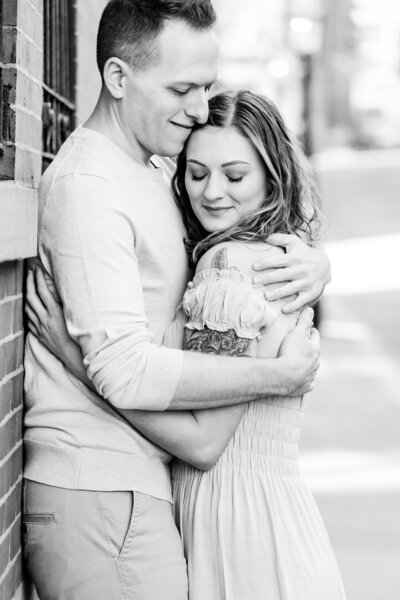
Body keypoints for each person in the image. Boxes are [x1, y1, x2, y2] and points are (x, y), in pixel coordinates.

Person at [23, 1, 330, 599]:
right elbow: (125, 370)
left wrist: (314, 263)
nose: (198, 108)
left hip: (144, 494)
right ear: (117, 78)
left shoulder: (155, 168)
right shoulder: (92, 184)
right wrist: (276, 375)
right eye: (182, 88)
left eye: (206, 86)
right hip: (103, 490)